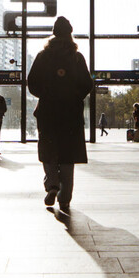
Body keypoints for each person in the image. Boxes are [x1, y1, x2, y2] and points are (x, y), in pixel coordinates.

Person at [27, 17, 93, 214]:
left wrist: (47, 94)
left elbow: (32, 83)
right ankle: (65, 200)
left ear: (54, 33)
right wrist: (74, 96)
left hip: (48, 112)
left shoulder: (43, 56)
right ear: (70, 33)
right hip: (70, 114)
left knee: (48, 150)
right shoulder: (77, 57)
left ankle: (52, 184)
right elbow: (87, 84)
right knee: (67, 156)